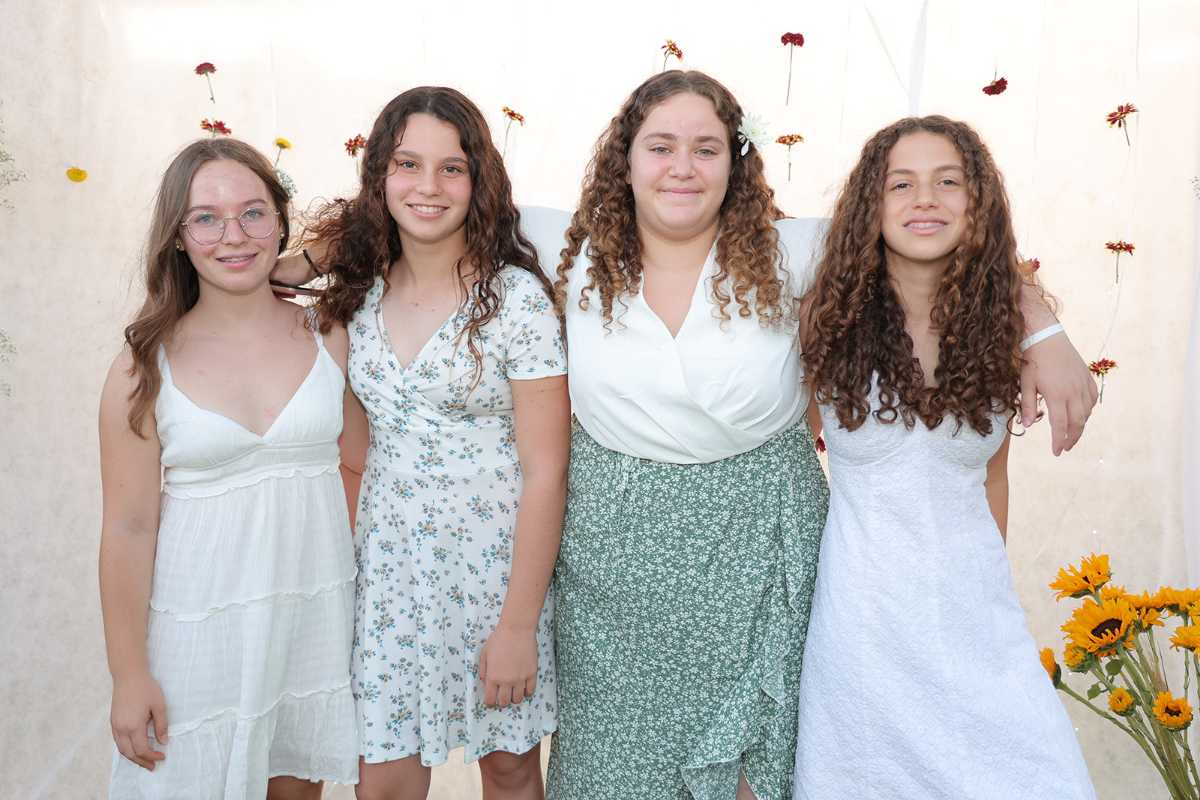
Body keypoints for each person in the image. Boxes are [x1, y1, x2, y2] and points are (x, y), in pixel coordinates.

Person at [517, 71, 1097, 800]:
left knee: (757, 770)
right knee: (613, 768)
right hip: (615, 555)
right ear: (623, 159)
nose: (682, 167)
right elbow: (444, 207)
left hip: (764, 541)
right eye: (660, 147)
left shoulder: (792, 250)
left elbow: (945, 235)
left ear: (737, 160)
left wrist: (1043, 328)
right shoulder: (564, 245)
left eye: (706, 148)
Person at [791, 116, 1098, 799]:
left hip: (976, 623)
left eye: (947, 182)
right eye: (900, 184)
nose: (924, 199)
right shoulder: (823, 320)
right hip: (863, 629)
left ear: (977, 201)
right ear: (869, 207)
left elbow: (992, 480)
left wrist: (1040, 324)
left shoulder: (1002, 329)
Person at [302, 87, 569, 800]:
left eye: (452, 168)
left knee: (509, 769)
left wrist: (518, 626)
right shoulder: (353, 296)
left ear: (480, 181)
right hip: (388, 574)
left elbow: (547, 470)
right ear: (379, 177)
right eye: (407, 164)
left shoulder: (515, 300)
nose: (428, 186)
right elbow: (351, 456)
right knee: (383, 779)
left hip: (496, 573)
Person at [99, 138, 363, 799]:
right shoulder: (142, 367)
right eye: (206, 219)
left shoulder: (330, 334)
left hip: (309, 620)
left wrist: (304, 261)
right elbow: (128, 529)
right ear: (177, 237)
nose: (234, 236)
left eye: (253, 213)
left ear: (281, 220)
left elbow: (358, 467)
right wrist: (128, 675)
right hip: (198, 630)